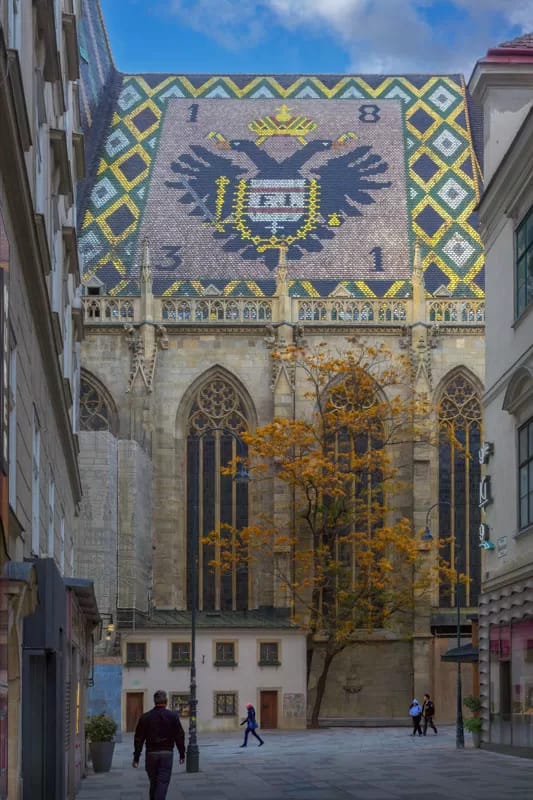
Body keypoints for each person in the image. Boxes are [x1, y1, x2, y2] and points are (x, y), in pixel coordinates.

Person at [132, 689, 186, 800]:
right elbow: (179, 736)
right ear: (166, 701)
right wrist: (182, 754)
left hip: (151, 753)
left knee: (154, 782)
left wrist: (136, 757)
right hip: (167, 753)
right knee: (162, 782)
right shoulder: (173, 716)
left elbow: (139, 739)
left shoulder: (145, 717)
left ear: (154, 701)